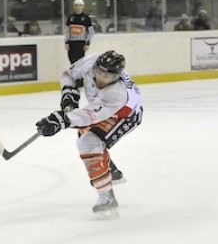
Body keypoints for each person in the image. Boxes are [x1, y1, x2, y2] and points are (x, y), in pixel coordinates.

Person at [35, 50, 143, 218]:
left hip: (124, 115)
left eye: (107, 77)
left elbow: (89, 116)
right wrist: (69, 94)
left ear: (116, 77)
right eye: (99, 73)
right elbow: (68, 74)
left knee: (88, 142)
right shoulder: (89, 62)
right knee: (86, 137)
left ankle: (107, 198)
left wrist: (60, 120)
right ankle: (110, 171)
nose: (101, 78)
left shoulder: (117, 94)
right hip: (102, 109)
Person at [65, 0, 94, 65]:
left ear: (83, 7)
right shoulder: (70, 17)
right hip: (72, 43)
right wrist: (66, 42)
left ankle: (79, 75)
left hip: (81, 43)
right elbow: (67, 31)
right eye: (76, 5)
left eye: (80, 5)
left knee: (80, 62)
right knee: (72, 61)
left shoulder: (86, 18)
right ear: (73, 7)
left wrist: (87, 43)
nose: (78, 7)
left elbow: (91, 32)